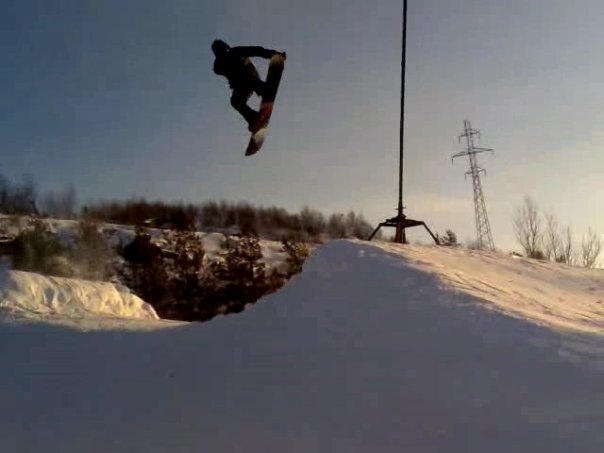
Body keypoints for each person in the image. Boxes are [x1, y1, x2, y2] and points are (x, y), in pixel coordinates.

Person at [212, 39, 286, 131]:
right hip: (240, 87)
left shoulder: (235, 52)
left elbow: (255, 50)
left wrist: (274, 54)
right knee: (235, 101)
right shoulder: (219, 65)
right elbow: (218, 70)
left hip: (250, 77)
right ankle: (254, 119)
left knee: (245, 79)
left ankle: (263, 89)